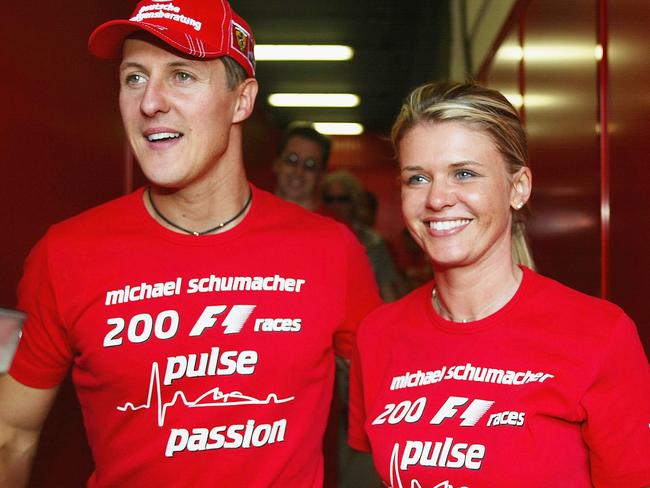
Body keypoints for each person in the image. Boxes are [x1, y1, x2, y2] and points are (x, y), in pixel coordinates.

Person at [0, 1, 381, 486]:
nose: (150, 102)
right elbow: (10, 432)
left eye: (182, 76)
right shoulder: (63, 254)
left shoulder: (331, 252)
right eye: (134, 77)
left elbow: (403, 412)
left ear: (241, 101)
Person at [348, 81, 650, 487]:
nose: (437, 198)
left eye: (465, 173)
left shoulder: (599, 335)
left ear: (518, 187)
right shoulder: (379, 335)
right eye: (417, 179)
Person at [321, 170, 406, 303]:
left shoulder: (372, 242)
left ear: (354, 202)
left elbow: (387, 289)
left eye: (342, 199)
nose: (335, 205)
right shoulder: (313, 237)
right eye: (329, 199)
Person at [273, 123, 331, 211]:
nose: (298, 172)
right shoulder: (249, 213)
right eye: (292, 160)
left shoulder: (332, 224)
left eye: (310, 165)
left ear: (321, 174)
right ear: (276, 163)